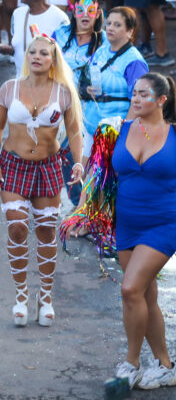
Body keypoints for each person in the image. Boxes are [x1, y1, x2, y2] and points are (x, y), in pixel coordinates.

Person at [0, 32, 83, 327]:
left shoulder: (63, 93)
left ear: (53, 60)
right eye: (33, 53)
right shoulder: (9, 88)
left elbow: (75, 131)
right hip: (14, 166)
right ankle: (20, 295)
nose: (37, 57)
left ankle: (45, 296)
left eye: (44, 53)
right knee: (17, 228)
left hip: (48, 166)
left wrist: (77, 162)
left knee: (45, 231)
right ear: (26, 57)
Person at [108, 73, 176, 390]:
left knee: (130, 289)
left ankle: (131, 362)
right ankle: (166, 365)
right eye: (133, 93)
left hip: (165, 223)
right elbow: (100, 175)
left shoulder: (174, 134)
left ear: (161, 100)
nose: (135, 99)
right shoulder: (117, 128)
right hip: (127, 223)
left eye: (143, 94)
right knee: (144, 296)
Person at [53, 0, 105, 203]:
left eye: (90, 11)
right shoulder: (61, 34)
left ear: (98, 13)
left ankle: (86, 207)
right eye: (80, 11)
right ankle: (76, 203)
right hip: (59, 102)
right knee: (64, 155)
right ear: (73, 12)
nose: (85, 16)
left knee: (83, 157)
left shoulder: (104, 41)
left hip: (88, 109)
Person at [81, 7, 149, 157]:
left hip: (113, 134)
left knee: (102, 179)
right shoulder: (101, 50)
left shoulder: (134, 62)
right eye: (109, 23)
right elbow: (85, 76)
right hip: (90, 127)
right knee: (84, 178)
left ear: (130, 31)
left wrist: (126, 132)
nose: (110, 28)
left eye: (117, 25)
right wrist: (86, 89)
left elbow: (139, 102)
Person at [0, 0, 71, 77]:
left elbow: (67, 55)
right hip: (21, 82)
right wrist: (10, 50)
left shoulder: (59, 18)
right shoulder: (18, 14)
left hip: (48, 84)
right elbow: (22, 49)